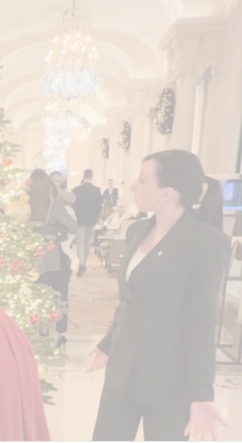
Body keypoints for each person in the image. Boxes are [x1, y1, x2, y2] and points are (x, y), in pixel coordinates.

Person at [88, 150, 230, 441]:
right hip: (122, 371)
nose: (133, 186)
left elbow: (201, 321)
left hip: (169, 381)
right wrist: (108, 343)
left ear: (167, 193)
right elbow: (131, 301)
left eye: (142, 180)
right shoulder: (137, 230)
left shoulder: (206, 241)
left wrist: (202, 394)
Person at [29, 169, 77, 350]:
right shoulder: (54, 204)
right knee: (60, 296)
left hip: (35, 260)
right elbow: (73, 226)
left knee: (41, 298)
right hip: (56, 259)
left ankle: (42, 333)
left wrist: (41, 230)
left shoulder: (25, 204)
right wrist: (56, 230)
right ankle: (61, 334)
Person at [72, 169, 103, 277]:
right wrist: (96, 217)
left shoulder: (76, 190)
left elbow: (74, 205)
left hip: (79, 220)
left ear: (83, 176)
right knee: (87, 243)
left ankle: (81, 263)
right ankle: (84, 262)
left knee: (80, 243)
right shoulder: (96, 190)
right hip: (91, 220)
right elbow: (99, 207)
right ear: (92, 176)